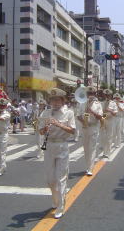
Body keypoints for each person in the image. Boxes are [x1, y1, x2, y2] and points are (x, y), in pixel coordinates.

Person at [39, 88, 75, 219]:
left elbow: (72, 130)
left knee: (61, 178)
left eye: (58, 100)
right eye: (53, 100)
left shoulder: (69, 113)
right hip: (49, 146)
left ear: (62, 100)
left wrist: (58, 124)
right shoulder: (45, 113)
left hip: (62, 145)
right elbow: (40, 132)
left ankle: (61, 206)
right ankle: (55, 200)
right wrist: (45, 127)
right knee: (50, 179)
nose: (55, 102)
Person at [77, 86, 103, 176]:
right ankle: (88, 166)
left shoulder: (98, 104)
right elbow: (78, 115)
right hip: (85, 127)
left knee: (92, 148)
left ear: (95, 94)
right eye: (88, 93)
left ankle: (90, 168)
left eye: (92, 94)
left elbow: (100, 117)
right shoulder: (82, 103)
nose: (90, 95)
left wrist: (91, 111)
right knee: (86, 149)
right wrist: (83, 121)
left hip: (93, 127)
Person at [101, 89, 118, 158]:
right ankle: (104, 151)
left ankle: (107, 152)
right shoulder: (102, 103)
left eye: (108, 95)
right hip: (104, 118)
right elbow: (101, 113)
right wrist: (102, 120)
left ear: (110, 95)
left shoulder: (113, 103)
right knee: (103, 137)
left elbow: (115, 114)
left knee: (109, 137)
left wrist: (110, 110)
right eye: (106, 95)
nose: (107, 96)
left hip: (111, 120)